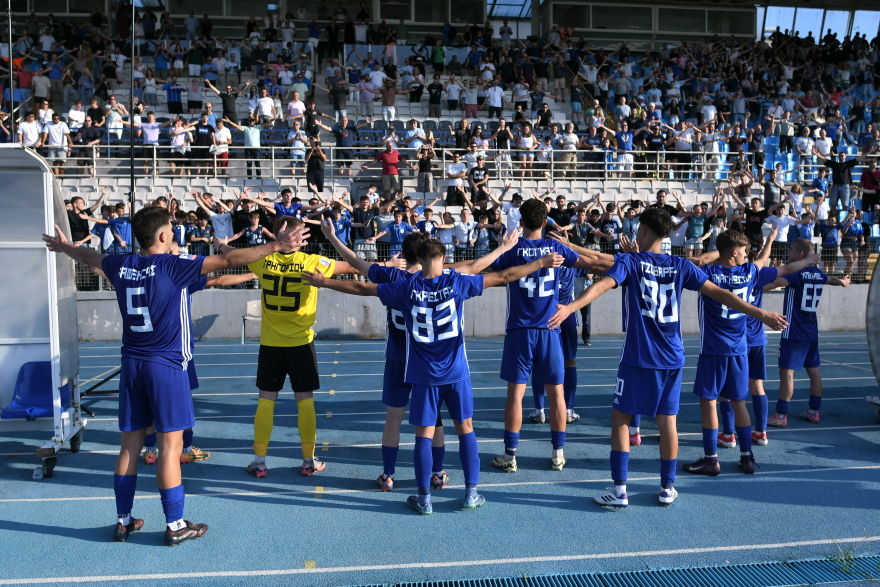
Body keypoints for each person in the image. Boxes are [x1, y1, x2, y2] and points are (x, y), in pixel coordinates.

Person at [42, 206, 308, 545]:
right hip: (165, 367)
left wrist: (64, 247)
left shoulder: (119, 264)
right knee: (170, 448)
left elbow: (88, 255)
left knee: (128, 448)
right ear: (164, 236)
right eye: (172, 229)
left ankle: (123, 520)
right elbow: (228, 261)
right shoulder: (172, 266)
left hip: (132, 366)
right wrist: (276, 246)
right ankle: (175, 524)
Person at [303, 237, 566, 514]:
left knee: (423, 436)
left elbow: (361, 286)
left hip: (423, 374)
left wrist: (325, 282)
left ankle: (424, 499)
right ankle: (470, 493)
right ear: (442, 258)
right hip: (456, 372)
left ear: (419, 257)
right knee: (466, 430)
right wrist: (540, 262)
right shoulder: (457, 282)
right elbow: (504, 275)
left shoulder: (405, 287)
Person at [547, 208, 787, 508]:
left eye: (637, 230)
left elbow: (601, 281)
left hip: (639, 356)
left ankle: (620, 490)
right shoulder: (680, 265)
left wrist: (571, 307)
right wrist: (761, 313)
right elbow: (721, 293)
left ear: (644, 232)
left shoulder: (631, 261)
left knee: (621, 420)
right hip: (673, 357)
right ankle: (666, 488)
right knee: (667, 423)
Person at [214, 216, 358, 479]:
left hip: (271, 344)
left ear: (278, 236)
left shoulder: (262, 260)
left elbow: (232, 255)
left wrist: (220, 245)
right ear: (300, 237)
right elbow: (351, 266)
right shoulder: (312, 262)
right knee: (305, 402)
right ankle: (308, 461)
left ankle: (259, 461)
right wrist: (388, 265)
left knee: (265, 402)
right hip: (301, 342)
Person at [490, 199, 592, 474]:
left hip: (520, 330)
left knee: (515, 396)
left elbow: (485, 266)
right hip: (550, 328)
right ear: (546, 221)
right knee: (556, 394)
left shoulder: (514, 249)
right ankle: (558, 453)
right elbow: (588, 263)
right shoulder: (557, 247)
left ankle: (510, 455)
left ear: (520, 222)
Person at [682, 228, 777, 477]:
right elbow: (762, 260)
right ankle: (746, 456)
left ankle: (712, 459)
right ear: (735, 253)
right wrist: (770, 239)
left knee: (708, 403)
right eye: (744, 251)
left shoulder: (708, 273)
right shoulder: (748, 272)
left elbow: (696, 261)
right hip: (739, 349)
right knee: (739, 402)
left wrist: (718, 249)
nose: (747, 255)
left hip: (713, 350)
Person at [766, 239, 851, 429]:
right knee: (814, 371)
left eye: (792, 249)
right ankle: (814, 411)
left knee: (787, 372)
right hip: (811, 330)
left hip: (793, 331)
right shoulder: (818, 274)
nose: (788, 252)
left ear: (801, 255)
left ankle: (781, 414)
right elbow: (832, 280)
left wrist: (750, 290)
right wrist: (844, 282)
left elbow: (776, 282)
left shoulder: (797, 274)